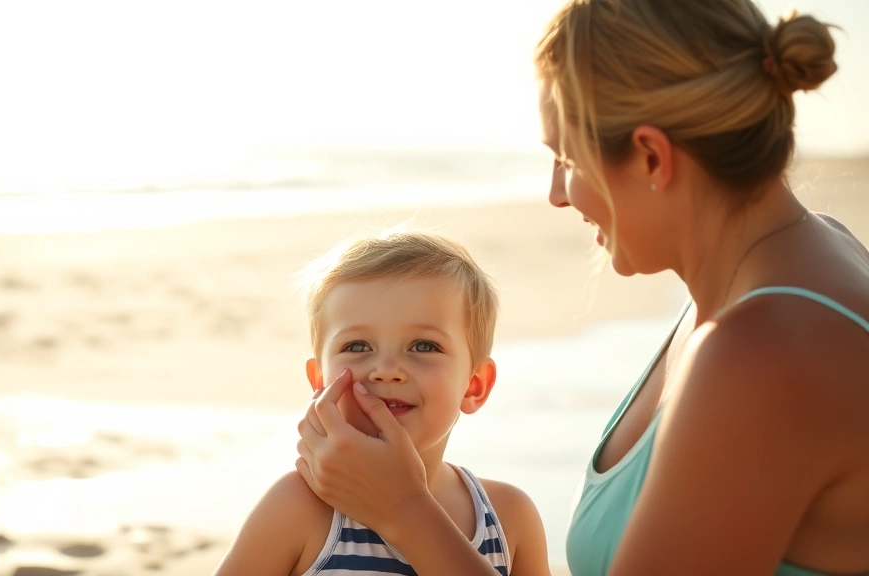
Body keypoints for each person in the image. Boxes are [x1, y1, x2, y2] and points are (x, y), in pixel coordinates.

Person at [296, 1, 869, 575]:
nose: (556, 193)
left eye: (565, 157)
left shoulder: (762, 354)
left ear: (650, 156)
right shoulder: (778, 271)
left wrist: (401, 509)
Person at [215, 230, 551, 575]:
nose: (387, 371)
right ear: (319, 382)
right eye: (358, 346)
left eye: (423, 346)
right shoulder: (298, 508)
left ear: (474, 385)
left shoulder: (508, 516)